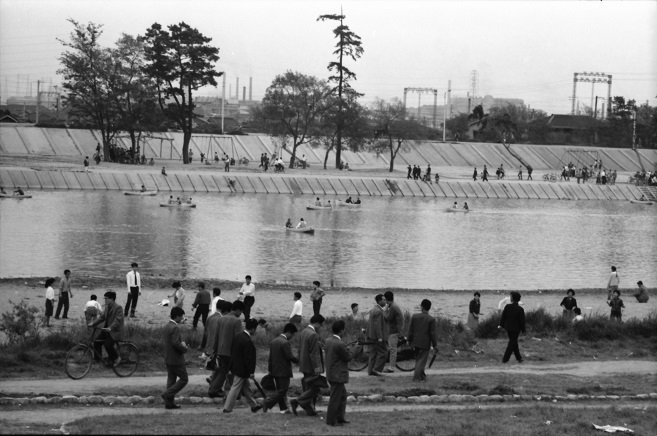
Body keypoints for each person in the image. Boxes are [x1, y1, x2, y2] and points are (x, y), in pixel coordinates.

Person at [222, 319, 262, 413]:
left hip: (236, 366)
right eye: (255, 329)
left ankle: (254, 405)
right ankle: (227, 408)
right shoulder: (247, 341)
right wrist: (251, 371)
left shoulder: (238, 336)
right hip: (242, 369)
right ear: (252, 329)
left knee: (246, 387)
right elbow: (249, 358)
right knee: (235, 388)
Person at [208, 300, 245, 398]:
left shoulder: (221, 319)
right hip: (231, 351)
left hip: (221, 350)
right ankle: (230, 392)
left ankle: (216, 389)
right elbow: (239, 338)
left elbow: (216, 336)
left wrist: (215, 350)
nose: (240, 314)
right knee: (230, 372)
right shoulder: (237, 321)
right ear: (237, 310)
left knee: (223, 371)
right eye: (241, 312)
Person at [291, 314, 325, 416]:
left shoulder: (303, 332)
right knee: (314, 388)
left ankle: (310, 409)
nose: (320, 328)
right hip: (311, 366)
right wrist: (317, 367)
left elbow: (299, 349)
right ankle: (297, 401)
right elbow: (314, 354)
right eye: (321, 325)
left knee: (308, 388)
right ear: (317, 323)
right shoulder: (313, 334)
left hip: (304, 365)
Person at [262, 322, 299, 414]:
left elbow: (270, 358)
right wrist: (299, 360)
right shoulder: (285, 343)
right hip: (283, 370)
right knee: (283, 390)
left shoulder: (274, 341)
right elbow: (290, 356)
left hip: (275, 370)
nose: (292, 336)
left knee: (280, 390)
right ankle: (267, 402)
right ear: (289, 332)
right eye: (293, 334)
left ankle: (283, 408)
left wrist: (270, 370)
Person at [325, 320, 352, 426]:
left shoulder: (328, 340)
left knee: (342, 395)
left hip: (331, 374)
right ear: (341, 330)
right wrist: (353, 350)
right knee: (335, 398)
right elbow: (347, 358)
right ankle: (331, 420)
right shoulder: (339, 343)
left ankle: (340, 417)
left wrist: (346, 350)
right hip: (338, 375)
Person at [161, 306, 188, 410]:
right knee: (184, 379)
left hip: (168, 357)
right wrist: (184, 348)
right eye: (181, 317)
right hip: (176, 359)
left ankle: (169, 404)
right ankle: (167, 394)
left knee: (171, 380)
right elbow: (176, 343)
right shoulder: (175, 327)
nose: (182, 319)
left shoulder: (167, 326)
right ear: (177, 316)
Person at [90, 291, 125, 366]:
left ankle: (117, 358)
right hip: (106, 329)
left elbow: (117, 320)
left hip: (115, 331)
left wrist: (110, 328)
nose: (105, 300)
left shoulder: (118, 307)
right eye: (104, 298)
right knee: (96, 342)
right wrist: (93, 323)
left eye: (106, 298)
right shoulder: (107, 307)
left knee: (108, 345)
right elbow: (102, 317)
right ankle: (98, 360)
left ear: (112, 299)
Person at [407, 299, 437, 382]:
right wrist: (435, 345)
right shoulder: (431, 319)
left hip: (415, 342)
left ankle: (422, 376)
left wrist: (408, 340)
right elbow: (432, 334)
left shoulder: (415, 316)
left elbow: (411, 330)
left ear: (422, 306)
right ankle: (416, 378)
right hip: (425, 343)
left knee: (419, 360)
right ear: (429, 308)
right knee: (421, 361)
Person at [498, 291, 525, 363]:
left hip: (508, 328)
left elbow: (503, 317)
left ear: (512, 299)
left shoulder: (507, 307)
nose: (510, 298)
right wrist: (523, 330)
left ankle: (519, 358)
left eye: (510, 297)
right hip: (516, 329)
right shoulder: (520, 309)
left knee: (513, 343)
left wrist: (501, 325)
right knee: (512, 343)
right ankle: (505, 359)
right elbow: (522, 321)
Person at [366, 294, 389, 376]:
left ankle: (370, 371)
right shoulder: (378, 311)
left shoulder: (374, 309)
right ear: (379, 301)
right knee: (384, 353)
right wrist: (380, 337)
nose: (385, 302)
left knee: (373, 354)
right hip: (376, 337)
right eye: (384, 300)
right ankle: (376, 370)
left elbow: (371, 324)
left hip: (371, 335)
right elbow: (377, 325)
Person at [384, 291, 403, 373]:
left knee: (392, 349)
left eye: (385, 300)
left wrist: (384, 310)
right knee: (392, 348)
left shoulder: (393, 307)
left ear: (387, 299)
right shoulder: (393, 305)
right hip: (394, 330)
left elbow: (388, 318)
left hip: (394, 331)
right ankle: (391, 366)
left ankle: (391, 367)